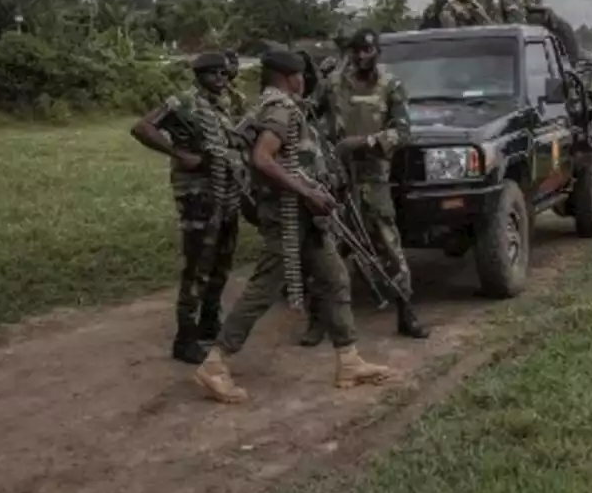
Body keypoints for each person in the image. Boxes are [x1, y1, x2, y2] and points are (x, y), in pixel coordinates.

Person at [193, 49, 394, 404]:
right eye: (301, 75)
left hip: (303, 216)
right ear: (291, 77)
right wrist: (307, 191)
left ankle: (348, 360)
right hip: (287, 215)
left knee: (334, 278)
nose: (304, 81)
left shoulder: (271, 104)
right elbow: (262, 157)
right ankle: (215, 363)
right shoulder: (281, 108)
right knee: (264, 289)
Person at [312, 28, 428, 342]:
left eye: (368, 50)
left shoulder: (391, 85)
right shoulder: (334, 84)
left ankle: (407, 313)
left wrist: (363, 142)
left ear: (376, 51)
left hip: (373, 179)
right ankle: (318, 321)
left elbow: (403, 131)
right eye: (356, 51)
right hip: (336, 180)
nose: (362, 56)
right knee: (324, 249)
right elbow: (310, 115)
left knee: (390, 247)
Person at [130, 52, 243, 364]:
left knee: (222, 259)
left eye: (224, 73)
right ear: (199, 76)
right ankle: (185, 337)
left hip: (226, 192)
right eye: (213, 74)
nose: (221, 79)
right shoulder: (183, 101)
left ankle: (209, 321)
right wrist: (179, 153)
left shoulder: (226, 102)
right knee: (198, 263)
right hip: (197, 195)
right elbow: (142, 128)